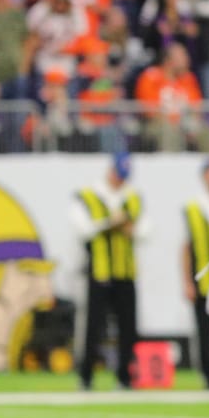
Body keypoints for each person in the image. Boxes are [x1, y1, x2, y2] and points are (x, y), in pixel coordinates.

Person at [71, 152, 144, 389]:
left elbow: (145, 231)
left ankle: (124, 377)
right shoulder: (88, 195)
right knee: (93, 327)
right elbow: (83, 230)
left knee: (128, 327)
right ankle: (86, 376)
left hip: (125, 271)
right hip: (99, 272)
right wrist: (111, 223)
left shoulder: (132, 197)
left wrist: (127, 227)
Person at [184, 160, 209, 389]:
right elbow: (185, 248)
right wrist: (187, 281)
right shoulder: (194, 207)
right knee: (205, 331)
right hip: (204, 279)